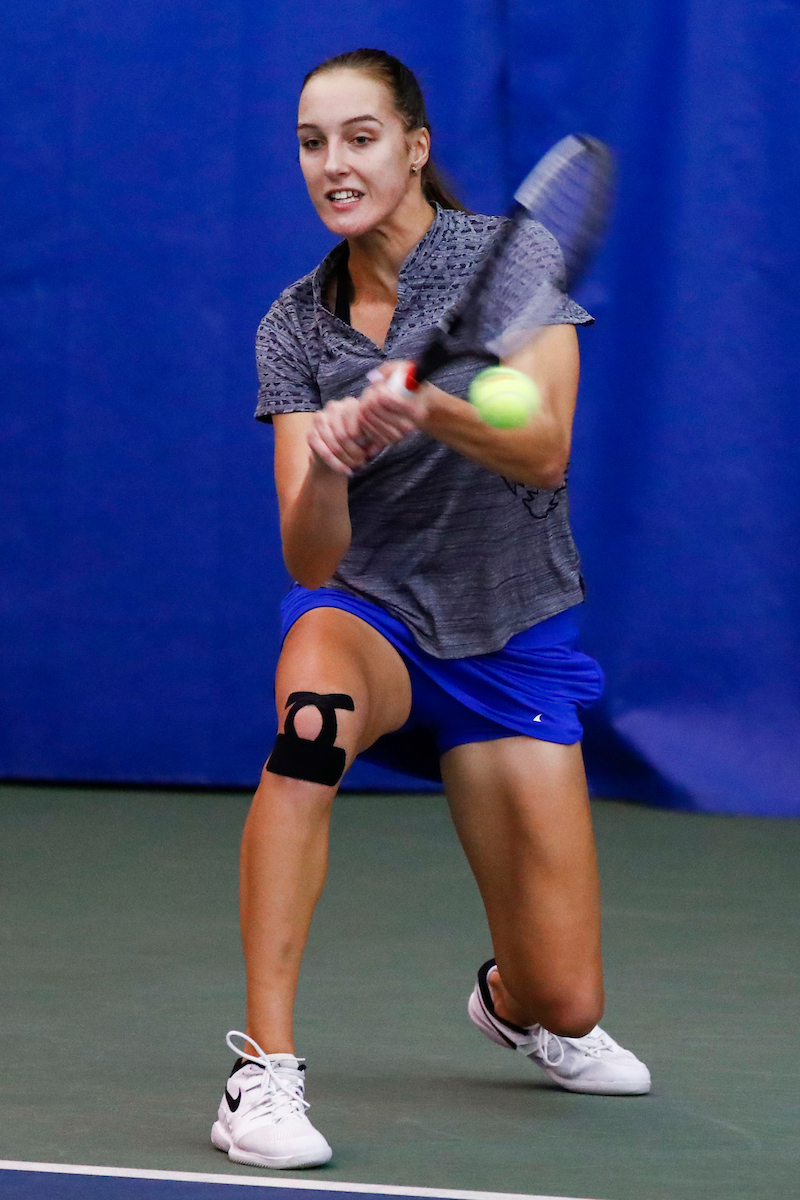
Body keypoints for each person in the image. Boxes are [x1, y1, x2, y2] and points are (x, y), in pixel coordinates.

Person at [211, 48, 650, 1172]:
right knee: (307, 723)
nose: (334, 163)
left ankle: (511, 1002)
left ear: (414, 147)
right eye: (312, 143)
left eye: (360, 137)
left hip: (511, 638)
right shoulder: (293, 326)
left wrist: (420, 405)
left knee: (566, 995)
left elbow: (543, 450)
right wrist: (328, 466)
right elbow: (310, 556)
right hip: (372, 624)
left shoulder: (507, 260)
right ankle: (261, 1071)